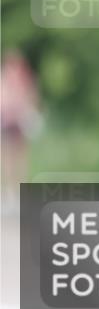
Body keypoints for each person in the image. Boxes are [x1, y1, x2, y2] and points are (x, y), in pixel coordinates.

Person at [1, 51, 43, 216]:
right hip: (6, 122)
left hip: (19, 123)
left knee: (20, 157)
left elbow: (32, 98)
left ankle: (19, 192)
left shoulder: (25, 79)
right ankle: (8, 192)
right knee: (7, 157)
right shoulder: (5, 78)